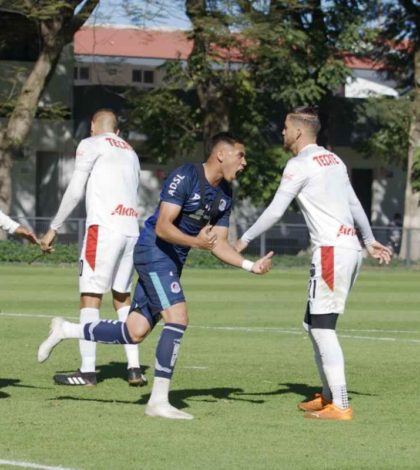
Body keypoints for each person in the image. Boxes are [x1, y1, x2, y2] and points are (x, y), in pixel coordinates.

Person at [38, 132, 273, 419]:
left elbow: (219, 243)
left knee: (134, 332)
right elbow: (163, 226)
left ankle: (66, 330)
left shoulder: (224, 194)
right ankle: (158, 402)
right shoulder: (186, 175)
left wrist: (251, 266)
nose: (244, 162)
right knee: (178, 318)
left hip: (172, 262)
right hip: (153, 253)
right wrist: (196, 242)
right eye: (241, 155)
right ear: (220, 155)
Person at [235, 107, 392, 421]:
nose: (282, 133)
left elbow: (277, 209)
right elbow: (353, 203)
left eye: (284, 128)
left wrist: (244, 239)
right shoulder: (334, 160)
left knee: (322, 329)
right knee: (312, 324)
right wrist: (369, 238)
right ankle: (329, 395)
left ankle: (341, 405)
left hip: (332, 251)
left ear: (297, 132)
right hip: (346, 247)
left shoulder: (299, 164)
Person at [39, 109, 146, 387]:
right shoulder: (131, 152)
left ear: (92, 127)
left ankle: (87, 372)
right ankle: (134, 368)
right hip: (131, 230)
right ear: (118, 132)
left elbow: (76, 188)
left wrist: (54, 227)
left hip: (104, 229)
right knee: (122, 298)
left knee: (90, 297)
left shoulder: (90, 144)